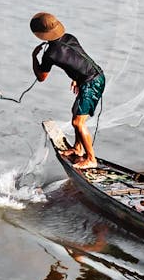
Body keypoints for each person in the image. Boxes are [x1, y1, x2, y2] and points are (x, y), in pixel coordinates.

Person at [30, 12, 105, 169]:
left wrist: (34, 57)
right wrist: (77, 78)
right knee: (75, 112)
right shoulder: (70, 37)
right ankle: (78, 148)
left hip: (91, 83)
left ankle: (91, 159)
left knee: (78, 122)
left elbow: (41, 77)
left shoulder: (50, 54)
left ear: (41, 36)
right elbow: (77, 59)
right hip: (94, 76)